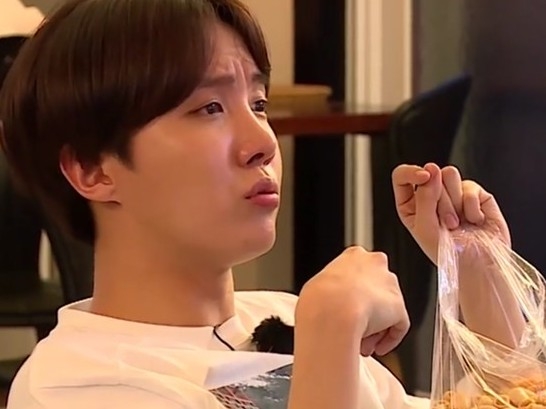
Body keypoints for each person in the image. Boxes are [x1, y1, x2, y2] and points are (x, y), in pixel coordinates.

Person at [0, 0, 515, 408]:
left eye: (259, 104)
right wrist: (331, 332)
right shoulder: (72, 386)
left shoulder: (283, 319)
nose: (264, 142)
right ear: (92, 169)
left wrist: (483, 276)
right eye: (209, 108)